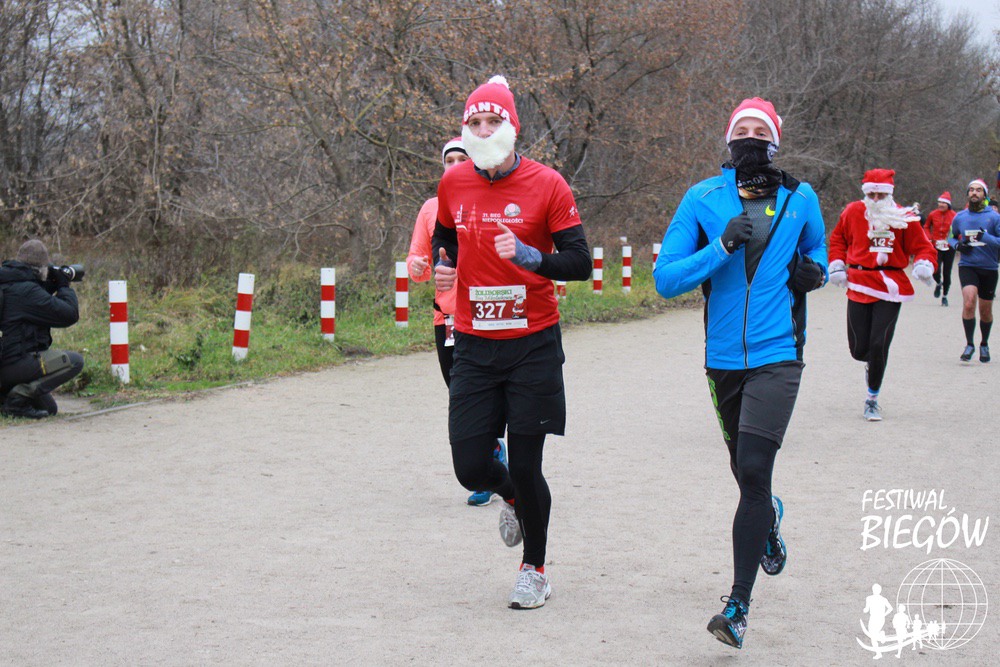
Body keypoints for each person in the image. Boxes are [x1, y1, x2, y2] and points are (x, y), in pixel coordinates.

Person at [653, 98, 827, 649]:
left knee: (753, 468)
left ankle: (738, 607)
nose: (750, 137)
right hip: (723, 359)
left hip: (779, 353)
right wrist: (722, 246)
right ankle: (768, 519)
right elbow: (665, 279)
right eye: (741, 130)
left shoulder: (801, 197)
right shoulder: (702, 198)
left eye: (761, 131)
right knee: (746, 475)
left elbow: (819, 251)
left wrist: (815, 272)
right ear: (729, 139)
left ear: (775, 142)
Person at [432, 75, 591, 610]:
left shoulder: (548, 184)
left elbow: (580, 262)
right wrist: (445, 263)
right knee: (469, 467)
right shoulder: (454, 182)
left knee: (526, 463)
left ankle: (534, 569)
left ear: (512, 127)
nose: (483, 131)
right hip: (475, 343)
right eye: (474, 123)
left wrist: (530, 257)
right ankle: (512, 498)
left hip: (532, 344)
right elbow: (446, 234)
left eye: (493, 121)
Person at [406, 137, 507, 507]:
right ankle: (490, 452)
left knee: (490, 388)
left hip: (487, 312)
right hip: (447, 315)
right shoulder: (431, 208)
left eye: (461, 159)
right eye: (448, 160)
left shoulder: (490, 200)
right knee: (460, 390)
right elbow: (418, 262)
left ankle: (489, 458)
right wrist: (418, 266)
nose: (453, 166)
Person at [828, 169, 936, 421]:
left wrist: (924, 263)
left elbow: (923, 247)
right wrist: (837, 263)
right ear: (866, 193)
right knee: (858, 349)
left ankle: (872, 398)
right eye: (872, 194)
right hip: (859, 282)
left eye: (881, 195)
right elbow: (838, 240)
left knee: (879, 344)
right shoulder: (853, 212)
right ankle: (873, 363)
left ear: (890, 194)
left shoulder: (903, 217)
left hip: (890, 286)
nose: (876, 199)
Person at [0, 240, 84, 418]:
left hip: (5, 364)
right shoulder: (28, 292)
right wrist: (63, 286)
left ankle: (6, 398)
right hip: (14, 364)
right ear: (41, 269)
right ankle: (16, 401)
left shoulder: (7, 282)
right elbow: (69, 314)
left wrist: (48, 286)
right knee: (75, 361)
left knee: (49, 408)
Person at [951, 178, 1000, 362]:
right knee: (969, 302)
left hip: (989, 267)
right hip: (968, 265)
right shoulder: (960, 217)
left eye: (978, 190)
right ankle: (969, 344)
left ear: (984, 195)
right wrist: (958, 246)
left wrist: (985, 237)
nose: (974, 193)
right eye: (971, 190)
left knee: (985, 311)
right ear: (967, 194)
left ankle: (984, 344)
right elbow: (951, 237)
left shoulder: (994, 217)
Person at [924, 191, 956, 306]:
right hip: (936, 245)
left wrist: (956, 240)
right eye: (940, 202)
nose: (941, 205)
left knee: (947, 272)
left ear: (948, 205)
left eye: (944, 203)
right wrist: (929, 237)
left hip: (949, 247)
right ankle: (938, 283)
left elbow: (958, 230)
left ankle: (945, 296)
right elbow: (926, 226)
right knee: (935, 269)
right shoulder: (933, 214)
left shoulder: (954, 215)